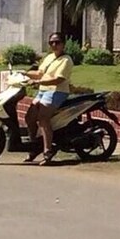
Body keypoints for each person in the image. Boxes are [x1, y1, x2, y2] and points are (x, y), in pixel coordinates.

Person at [23, 32, 74, 165]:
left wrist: (38, 82)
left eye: (57, 42)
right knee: (29, 117)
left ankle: (48, 150)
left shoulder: (66, 60)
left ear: (63, 44)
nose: (54, 45)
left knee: (43, 118)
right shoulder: (49, 57)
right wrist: (23, 73)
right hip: (43, 91)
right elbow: (40, 73)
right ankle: (35, 146)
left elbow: (58, 79)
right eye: (51, 42)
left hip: (57, 92)